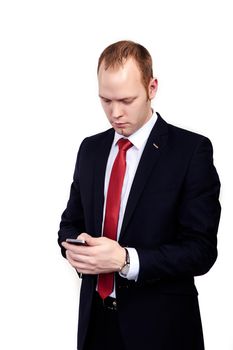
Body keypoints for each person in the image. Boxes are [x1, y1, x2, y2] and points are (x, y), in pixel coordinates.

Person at [58, 40, 221, 350]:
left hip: (161, 330)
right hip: (95, 325)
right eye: (105, 100)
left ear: (152, 87)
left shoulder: (190, 151)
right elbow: (68, 224)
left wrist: (125, 260)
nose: (115, 113)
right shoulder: (90, 150)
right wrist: (76, 249)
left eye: (126, 100)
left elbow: (201, 250)